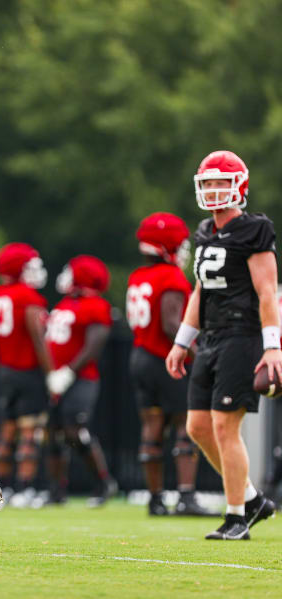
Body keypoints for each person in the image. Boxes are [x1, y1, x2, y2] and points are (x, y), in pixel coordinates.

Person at [166, 150, 280, 540]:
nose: (214, 190)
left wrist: (272, 345)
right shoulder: (204, 231)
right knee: (198, 427)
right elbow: (201, 289)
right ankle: (251, 499)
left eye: (221, 182)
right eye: (208, 183)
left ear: (239, 186)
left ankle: (236, 517)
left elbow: (267, 292)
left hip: (242, 335)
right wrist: (183, 340)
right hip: (212, 336)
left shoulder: (255, 229)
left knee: (225, 428)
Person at [127, 212, 213, 516]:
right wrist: (197, 349)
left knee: (151, 426)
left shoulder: (138, 275)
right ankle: (186, 496)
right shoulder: (171, 277)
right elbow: (171, 323)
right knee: (183, 426)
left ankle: (155, 498)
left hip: (140, 356)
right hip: (166, 357)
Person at [45, 255, 118, 506]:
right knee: (52, 433)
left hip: (80, 380)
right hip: (54, 379)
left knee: (76, 432)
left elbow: (94, 346)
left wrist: (68, 372)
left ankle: (103, 482)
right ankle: (57, 491)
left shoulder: (95, 305)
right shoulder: (66, 303)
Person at [0, 242, 52, 507]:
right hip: (28, 371)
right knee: (30, 433)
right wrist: (51, 374)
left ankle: (2, 489)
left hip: (5, 370)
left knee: (7, 432)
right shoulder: (27, 297)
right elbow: (38, 338)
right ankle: (25, 488)